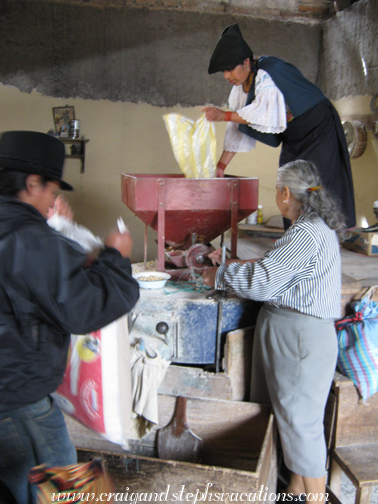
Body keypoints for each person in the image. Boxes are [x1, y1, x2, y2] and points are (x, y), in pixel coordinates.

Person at [0, 131, 140, 504]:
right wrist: (115, 257)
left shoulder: (27, 235)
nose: (51, 200)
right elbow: (88, 307)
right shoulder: (29, 239)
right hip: (17, 399)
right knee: (76, 497)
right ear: (32, 183)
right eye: (50, 190)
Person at [203, 159, 345, 503]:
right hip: (298, 334)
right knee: (291, 419)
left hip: (300, 338)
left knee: (300, 423)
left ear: (284, 193)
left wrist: (219, 275)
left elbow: (265, 281)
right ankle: (296, 489)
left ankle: (315, 498)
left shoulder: (306, 232)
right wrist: (235, 265)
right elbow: (276, 269)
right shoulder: (312, 226)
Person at [202, 23, 356, 230]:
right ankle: (294, 235)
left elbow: (262, 113)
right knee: (287, 182)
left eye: (229, 69)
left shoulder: (268, 73)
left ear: (246, 62)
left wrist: (224, 115)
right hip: (293, 136)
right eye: (224, 71)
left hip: (318, 127)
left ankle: (322, 236)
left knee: (315, 182)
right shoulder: (240, 89)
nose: (226, 76)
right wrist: (221, 166)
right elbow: (238, 126)